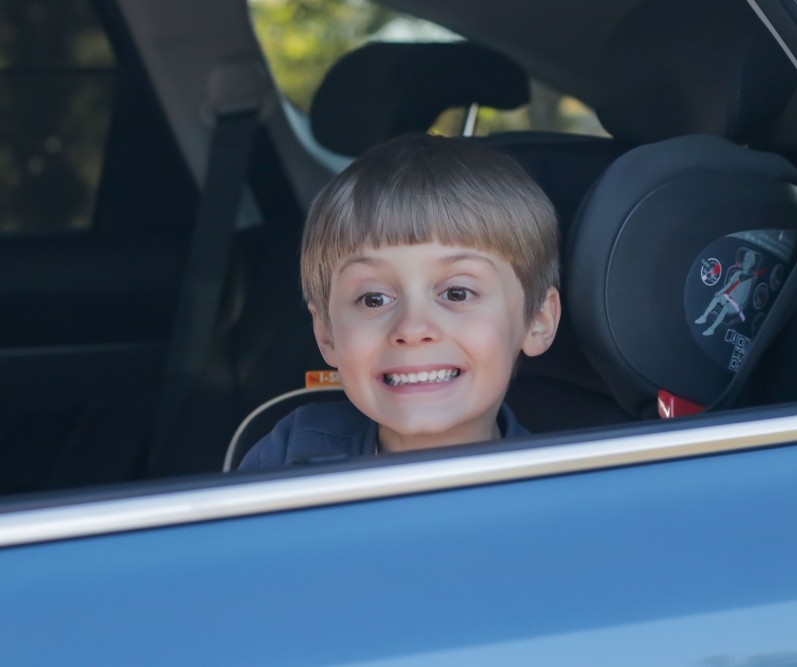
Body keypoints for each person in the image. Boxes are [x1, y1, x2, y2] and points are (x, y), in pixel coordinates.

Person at [239, 133, 561, 470]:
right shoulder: (291, 452)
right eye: (374, 299)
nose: (412, 328)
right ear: (326, 334)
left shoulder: (562, 492)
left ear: (537, 320)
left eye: (457, 293)